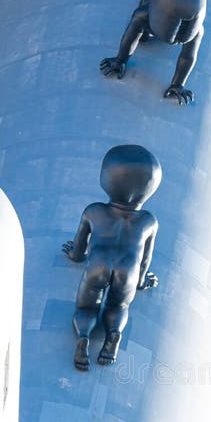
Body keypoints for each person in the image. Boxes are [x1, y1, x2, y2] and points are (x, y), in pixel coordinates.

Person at [62, 145, 161, 370]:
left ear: (105, 180)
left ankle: (83, 337)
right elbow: (145, 259)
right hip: (128, 269)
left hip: (98, 262)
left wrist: (74, 254)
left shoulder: (94, 211)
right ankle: (113, 335)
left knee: (86, 307)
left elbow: (79, 248)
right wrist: (142, 281)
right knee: (119, 305)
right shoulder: (148, 221)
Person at [100, 0, 206, 104]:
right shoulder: (143, 14)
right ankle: (148, 30)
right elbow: (187, 56)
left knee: (143, 29)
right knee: (143, 35)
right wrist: (121, 59)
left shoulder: (196, 30)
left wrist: (178, 84)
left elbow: (188, 56)